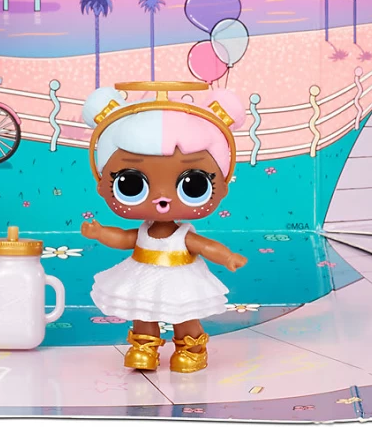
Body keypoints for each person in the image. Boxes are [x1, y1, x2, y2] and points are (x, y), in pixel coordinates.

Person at [79, 82, 248, 373]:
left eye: (193, 185)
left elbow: (204, 246)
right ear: (103, 184)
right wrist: (100, 233)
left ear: (221, 187)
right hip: (142, 274)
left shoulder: (182, 234)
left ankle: (192, 348)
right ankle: (144, 346)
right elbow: (125, 238)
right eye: (130, 184)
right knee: (142, 311)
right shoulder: (143, 232)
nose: (162, 198)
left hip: (181, 278)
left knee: (185, 314)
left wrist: (227, 257)